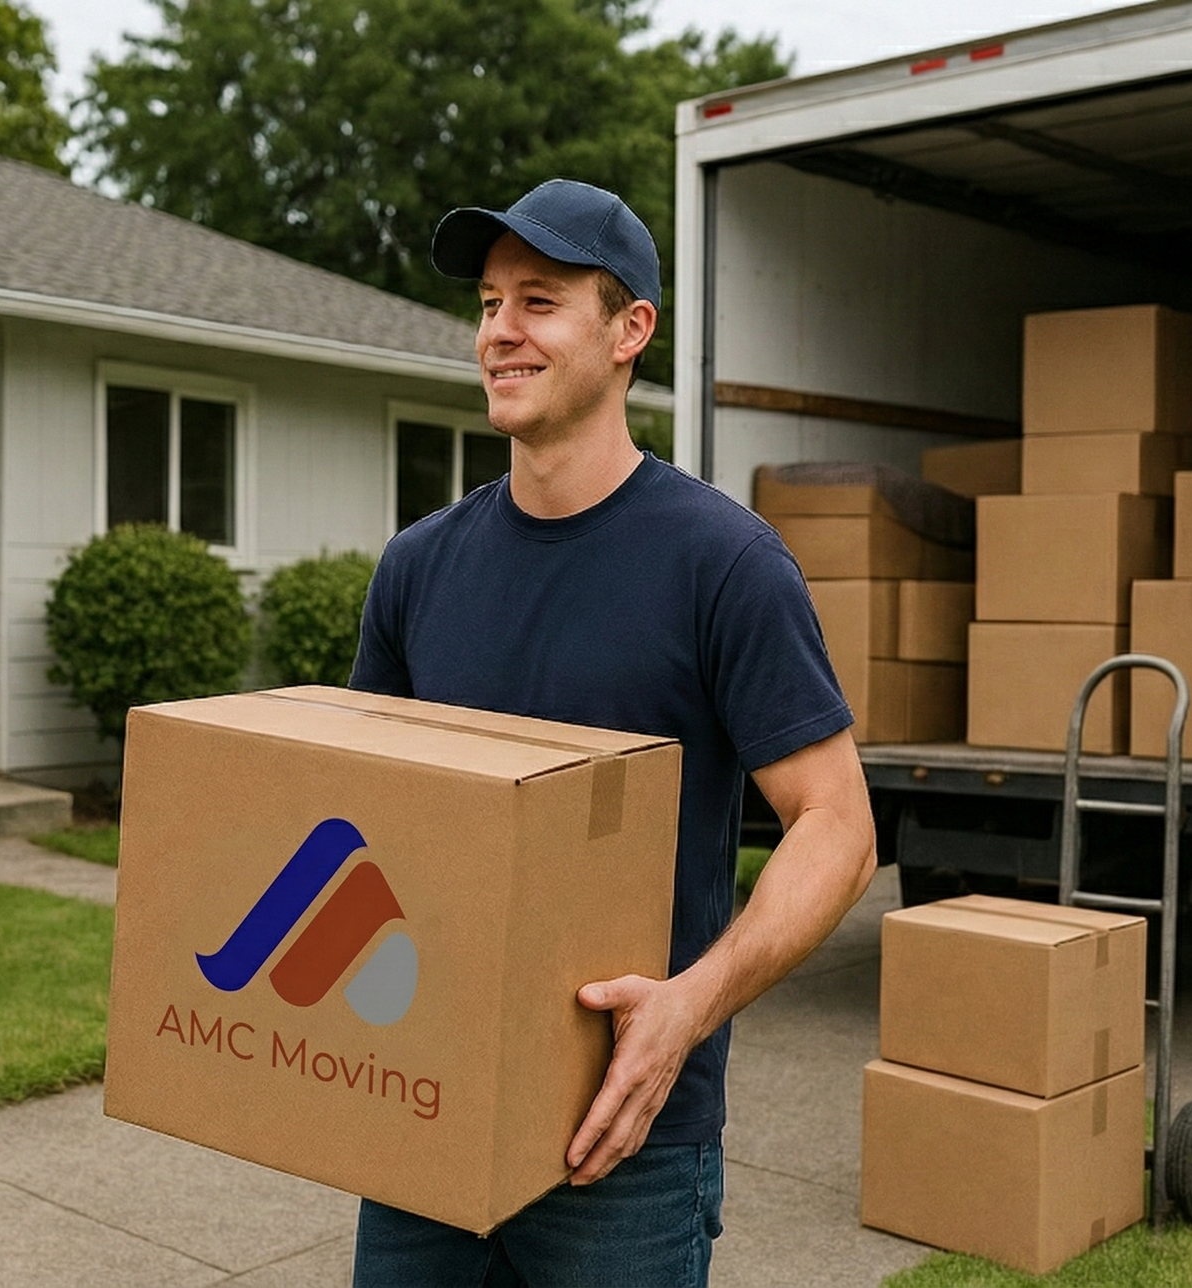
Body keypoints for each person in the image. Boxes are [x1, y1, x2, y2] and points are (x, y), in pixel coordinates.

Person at [347, 179, 879, 1286]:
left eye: (537, 301)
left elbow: (835, 826)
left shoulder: (724, 564)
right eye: (490, 304)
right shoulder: (417, 568)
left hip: (623, 1143)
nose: (499, 330)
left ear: (630, 328)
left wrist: (687, 1006)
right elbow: (370, 817)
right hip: (426, 1111)